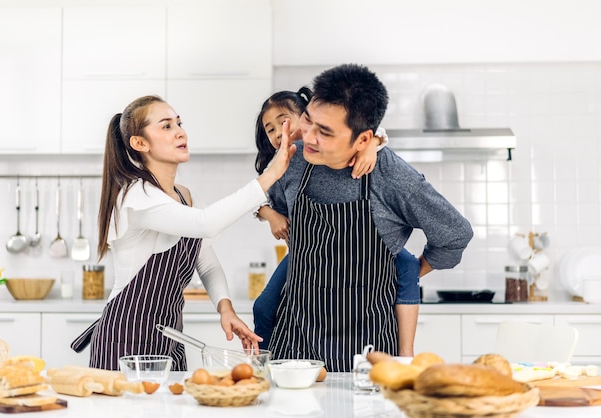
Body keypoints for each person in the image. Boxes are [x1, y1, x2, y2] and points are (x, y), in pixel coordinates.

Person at [266, 64, 474, 372]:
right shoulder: (292, 159)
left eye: (325, 132)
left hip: (367, 355)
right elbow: (275, 203)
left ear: (364, 139)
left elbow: (455, 234)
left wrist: (410, 271)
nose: (308, 137)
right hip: (295, 347)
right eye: (308, 120)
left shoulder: (391, 176)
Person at [71, 95, 296, 371]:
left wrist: (225, 308)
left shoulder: (184, 195)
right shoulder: (136, 196)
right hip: (125, 339)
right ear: (139, 143)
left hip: (169, 339)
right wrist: (272, 173)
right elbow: (207, 223)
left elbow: (206, 261)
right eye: (166, 126)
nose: (180, 131)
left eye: (179, 123)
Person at [251, 88, 421, 354]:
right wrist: (270, 213)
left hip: (369, 252)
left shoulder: (340, 144)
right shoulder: (282, 163)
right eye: (269, 129)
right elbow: (252, 195)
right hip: (306, 256)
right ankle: (262, 362)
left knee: (408, 264)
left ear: (309, 118)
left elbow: (372, 130)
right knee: (262, 306)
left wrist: (373, 145)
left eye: (282, 121)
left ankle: (406, 354)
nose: (276, 133)